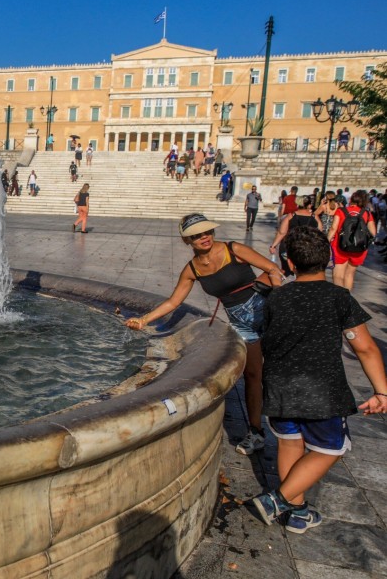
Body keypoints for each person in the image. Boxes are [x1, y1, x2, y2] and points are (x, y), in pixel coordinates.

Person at [252, 225, 387, 533]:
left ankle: (297, 511)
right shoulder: (339, 297)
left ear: (290, 263)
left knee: (289, 444)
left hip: (280, 387)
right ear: (327, 260)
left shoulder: (276, 298)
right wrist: (382, 392)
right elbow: (364, 347)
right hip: (321, 390)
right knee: (330, 449)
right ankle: (279, 500)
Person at [126, 213, 284, 455]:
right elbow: (173, 302)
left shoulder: (234, 249)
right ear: (187, 240)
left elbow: (273, 268)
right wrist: (143, 319)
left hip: (266, 307)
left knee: (281, 366)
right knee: (253, 374)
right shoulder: (191, 270)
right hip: (240, 322)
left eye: (207, 232)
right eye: (197, 235)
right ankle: (257, 432)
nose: (204, 237)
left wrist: (282, 302)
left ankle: (292, 421)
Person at [327, 190, 376, 291]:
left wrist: (326, 241)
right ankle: (348, 299)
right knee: (350, 275)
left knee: (338, 275)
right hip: (358, 247)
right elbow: (373, 233)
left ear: (351, 199)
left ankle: (340, 299)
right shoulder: (367, 213)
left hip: (340, 246)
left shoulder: (341, 211)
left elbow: (333, 228)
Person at [270, 196, 320, 276]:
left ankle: (277, 285)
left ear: (297, 204)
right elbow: (320, 232)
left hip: (289, 247)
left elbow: (282, 232)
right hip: (307, 248)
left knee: (285, 270)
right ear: (309, 205)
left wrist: (273, 246)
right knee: (304, 272)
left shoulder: (291, 216)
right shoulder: (315, 217)